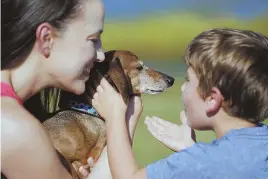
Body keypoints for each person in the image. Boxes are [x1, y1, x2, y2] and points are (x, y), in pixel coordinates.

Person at [89, 28, 268, 179]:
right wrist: (191, 148)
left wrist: (116, 116)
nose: (182, 88)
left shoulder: (198, 161)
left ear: (212, 99)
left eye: (188, 80)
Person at [1, 0, 105, 178]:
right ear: (46, 38)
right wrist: (121, 123)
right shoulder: (14, 128)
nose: (101, 55)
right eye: (93, 40)